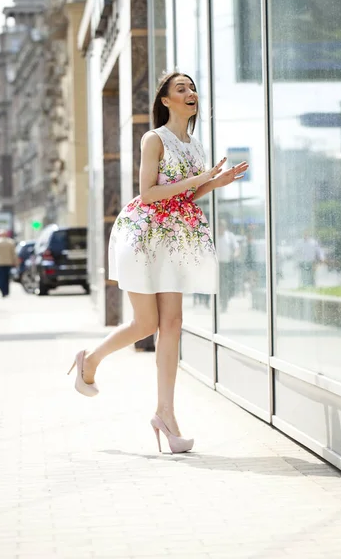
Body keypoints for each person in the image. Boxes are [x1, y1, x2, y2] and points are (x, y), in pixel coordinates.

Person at [68, 72, 249, 453]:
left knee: (174, 323)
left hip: (176, 237)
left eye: (192, 87)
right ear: (166, 100)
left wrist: (217, 182)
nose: (190, 93)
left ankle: (165, 415)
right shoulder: (154, 139)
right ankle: (90, 359)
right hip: (143, 235)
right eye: (181, 89)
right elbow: (148, 194)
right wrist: (201, 178)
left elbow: (189, 192)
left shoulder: (195, 145)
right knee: (146, 323)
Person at [217, 219, 239, 311]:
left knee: (226, 285)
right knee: (220, 285)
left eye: (222, 227)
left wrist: (235, 255)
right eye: (219, 227)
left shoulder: (229, 236)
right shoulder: (213, 236)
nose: (220, 229)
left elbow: (236, 248)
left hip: (227, 264)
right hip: (217, 265)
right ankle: (221, 303)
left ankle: (225, 302)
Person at [0, 230, 17, 297]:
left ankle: (3, 291)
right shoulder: (11, 242)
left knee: (0, 278)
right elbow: (14, 253)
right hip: (8, 262)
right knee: (6, 278)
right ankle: (6, 291)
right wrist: (15, 262)